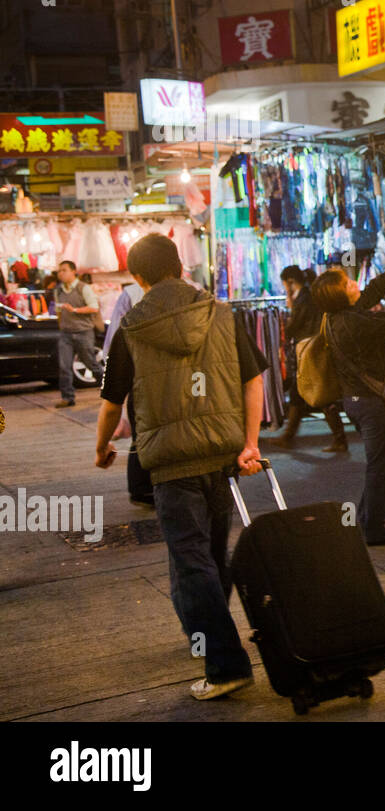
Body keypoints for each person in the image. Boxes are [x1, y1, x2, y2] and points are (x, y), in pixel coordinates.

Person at [93, 233, 266, 700]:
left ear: (137, 277)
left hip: (171, 463)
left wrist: (102, 446)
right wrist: (249, 443)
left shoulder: (130, 328)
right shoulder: (221, 313)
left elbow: (112, 401)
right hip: (221, 454)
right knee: (208, 556)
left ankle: (225, 663)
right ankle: (205, 633)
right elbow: (254, 380)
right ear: (179, 266)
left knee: (192, 562)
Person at [311, 266, 385, 546]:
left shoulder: (338, 317)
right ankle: (376, 528)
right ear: (341, 295)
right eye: (348, 283)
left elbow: (368, 295)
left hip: (356, 400)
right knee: (380, 466)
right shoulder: (354, 322)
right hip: (369, 403)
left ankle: (367, 519)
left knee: (379, 463)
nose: (355, 283)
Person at [279, 264, 348, 453]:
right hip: (311, 348)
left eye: (285, 284)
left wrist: (289, 312)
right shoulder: (309, 295)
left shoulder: (304, 298)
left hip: (310, 349)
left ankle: (339, 438)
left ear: (291, 282)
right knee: (299, 391)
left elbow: (295, 326)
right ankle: (288, 436)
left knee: (319, 392)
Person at [104, 279, 151, 504]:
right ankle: (142, 487)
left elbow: (111, 402)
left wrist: (101, 446)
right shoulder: (198, 296)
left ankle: (141, 488)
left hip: (140, 379)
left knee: (141, 435)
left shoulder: (130, 295)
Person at [52, 260, 104, 408]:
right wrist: (62, 325)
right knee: (64, 366)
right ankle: (67, 397)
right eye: (59, 271)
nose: (61, 273)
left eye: (64, 270)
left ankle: (108, 390)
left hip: (83, 332)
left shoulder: (83, 288)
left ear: (73, 271)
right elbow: (59, 312)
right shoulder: (58, 291)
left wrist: (74, 310)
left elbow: (94, 308)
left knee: (91, 363)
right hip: (66, 334)